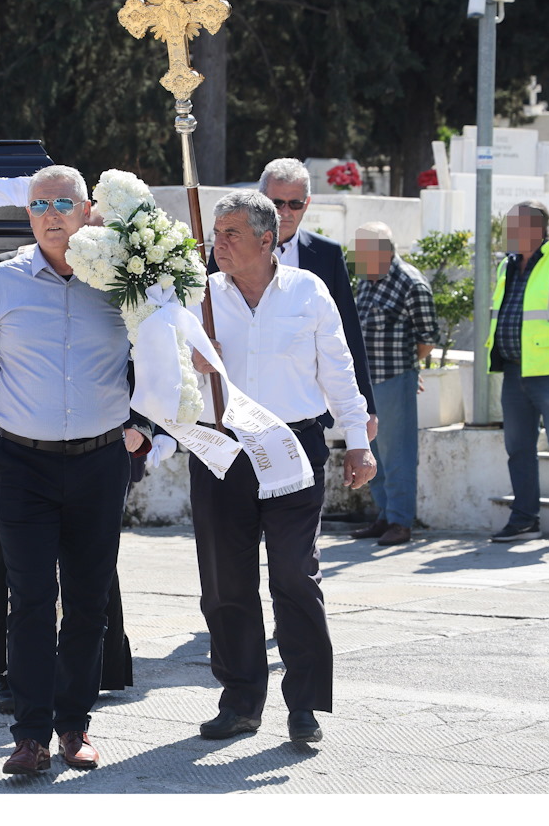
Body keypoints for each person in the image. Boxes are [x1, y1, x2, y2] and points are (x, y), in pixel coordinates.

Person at [0, 165, 151, 776]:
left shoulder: (123, 277)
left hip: (99, 463)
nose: (54, 214)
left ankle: (75, 726)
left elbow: (161, 353)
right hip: (21, 462)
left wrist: (149, 425)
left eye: (66, 202)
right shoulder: (0, 281)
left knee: (89, 602)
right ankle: (30, 735)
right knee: (31, 598)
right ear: (28, 214)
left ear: (89, 210)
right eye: (41, 204)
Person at [189, 190, 375, 745]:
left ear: (267, 240)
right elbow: (153, 367)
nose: (217, 244)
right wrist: (189, 358)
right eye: (216, 233)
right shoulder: (196, 297)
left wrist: (358, 439)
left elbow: (339, 369)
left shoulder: (307, 291)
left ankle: (305, 705)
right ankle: (241, 700)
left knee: (295, 574)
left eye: (231, 235)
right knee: (225, 581)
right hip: (221, 449)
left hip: (293, 449)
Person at [207, 158, 377, 439]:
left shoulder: (327, 254)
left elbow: (346, 334)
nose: (285, 212)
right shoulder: (227, 250)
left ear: (306, 204)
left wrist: (365, 408)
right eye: (277, 202)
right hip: (233, 420)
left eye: (295, 204)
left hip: (302, 418)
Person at [487, 201, 549, 546]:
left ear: (535, 228)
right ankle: (524, 519)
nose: (508, 234)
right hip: (516, 372)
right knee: (518, 449)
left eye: (513, 227)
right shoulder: (507, 266)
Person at [350, 222, 439, 546]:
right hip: (364, 384)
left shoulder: (411, 283)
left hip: (393, 379)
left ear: (384, 252)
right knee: (373, 451)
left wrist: (407, 369)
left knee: (397, 454)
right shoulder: (367, 279)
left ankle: (401, 522)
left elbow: (428, 336)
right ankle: (385, 516)